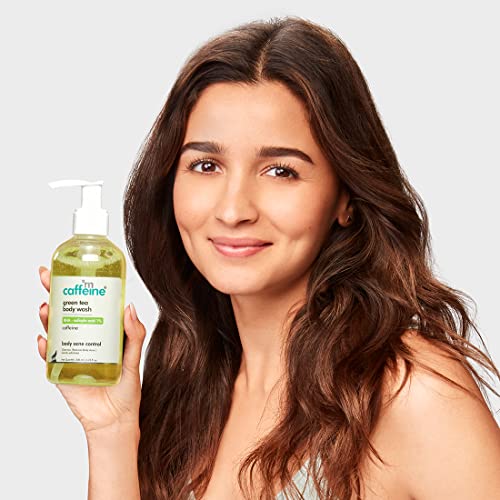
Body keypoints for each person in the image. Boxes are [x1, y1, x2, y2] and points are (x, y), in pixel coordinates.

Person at [37, 15, 500, 500]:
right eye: (206, 165)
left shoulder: (412, 393)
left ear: (346, 196)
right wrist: (110, 432)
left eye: (280, 171)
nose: (233, 209)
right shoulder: (187, 385)